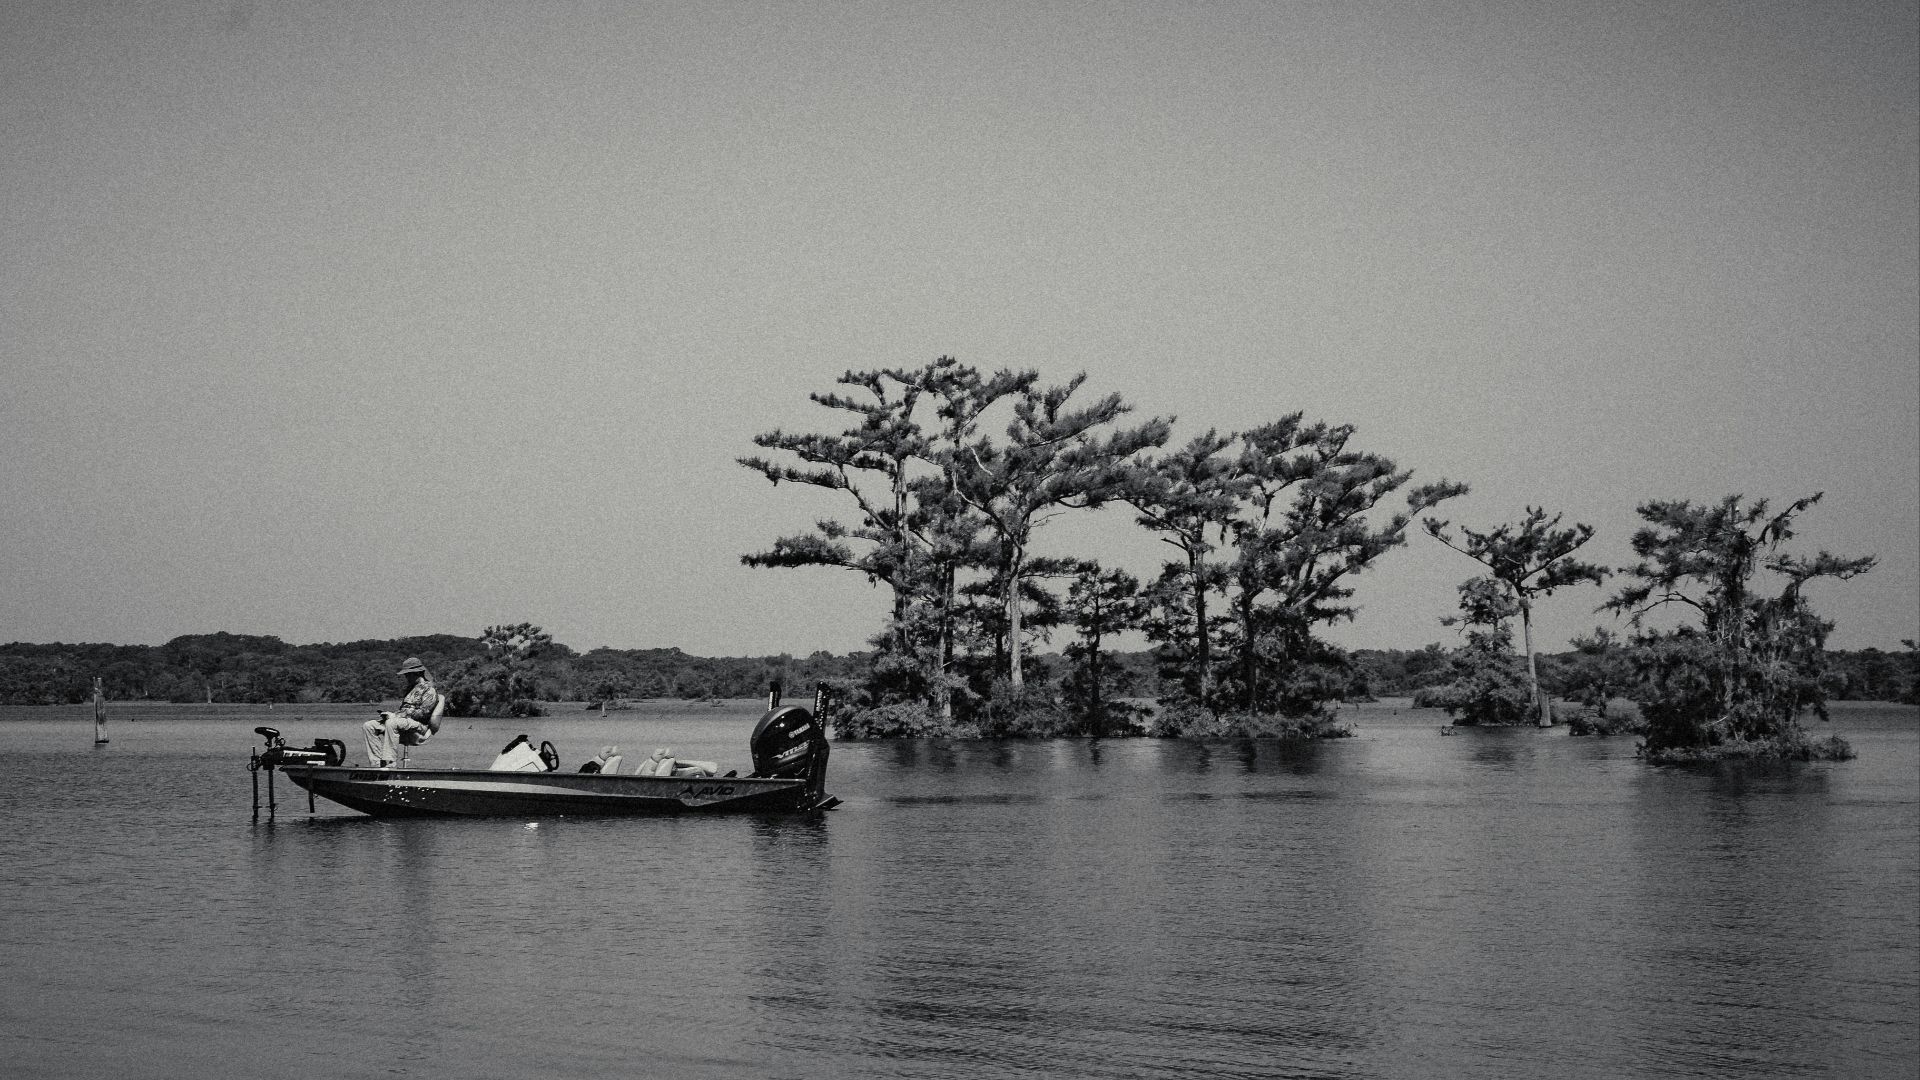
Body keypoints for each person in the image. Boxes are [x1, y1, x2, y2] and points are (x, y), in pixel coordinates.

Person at [364, 657, 442, 768]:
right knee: (369, 726)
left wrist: (395, 716)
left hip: (420, 726)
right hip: (403, 723)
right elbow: (404, 710)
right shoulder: (410, 689)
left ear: (418, 673)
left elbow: (423, 713)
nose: (406, 677)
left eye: (408, 674)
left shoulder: (429, 690)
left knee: (392, 723)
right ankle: (376, 765)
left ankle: (390, 764)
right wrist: (390, 715)